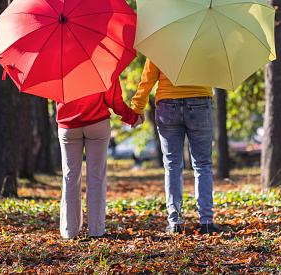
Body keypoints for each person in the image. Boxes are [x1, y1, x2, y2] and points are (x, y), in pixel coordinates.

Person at [131, 58, 221, 235]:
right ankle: (207, 222)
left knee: (172, 165)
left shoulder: (161, 37)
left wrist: (138, 106)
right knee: (202, 165)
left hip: (167, 103)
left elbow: (148, 76)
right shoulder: (208, 37)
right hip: (200, 101)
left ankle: (175, 223)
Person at [57, 78, 143, 239]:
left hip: (68, 125)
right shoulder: (103, 61)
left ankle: (69, 231)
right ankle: (96, 231)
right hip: (97, 124)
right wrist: (132, 117)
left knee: (70, 177)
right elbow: (115, 101)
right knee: (96, 178)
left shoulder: (58, 63)